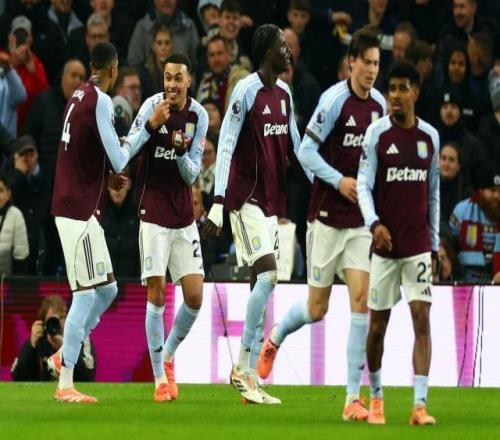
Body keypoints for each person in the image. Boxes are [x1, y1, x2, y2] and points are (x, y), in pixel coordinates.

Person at [257, 26, 386, 420]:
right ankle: (275, 337)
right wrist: (338, 180)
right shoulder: (333, 101)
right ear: (352, 62)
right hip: (326, 219)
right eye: (366, 62)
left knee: (361, 302)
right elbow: (306, 152)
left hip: (359, 223)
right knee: (317, 308)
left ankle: (351, 399)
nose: (372, 70)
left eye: (377, 63)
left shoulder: (379, 106)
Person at [203, 24, 310, 404]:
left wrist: (324, 185)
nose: (288, 51)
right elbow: (226, 144)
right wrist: (218, 201)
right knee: (268, 274)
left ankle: (249, 379)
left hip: (270, 202)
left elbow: (296, 146)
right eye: (282, 45)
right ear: (268, 52)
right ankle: (241, 365)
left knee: (260, 285)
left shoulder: (284, 94)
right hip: (244, 197)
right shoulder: (246, 91)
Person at [48, 42, 136, 403]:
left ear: (91, 65)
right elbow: (119, 158)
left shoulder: (78, 95)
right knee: (85, 293)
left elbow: (84, 151)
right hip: (78, 209)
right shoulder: (100, 99)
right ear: (113, 70)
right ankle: (65, 382)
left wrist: (105, 175)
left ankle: (64, 353)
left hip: (79, 204)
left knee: (108, 290)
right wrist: (137, 136)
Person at [357, 59, 440, 425]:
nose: (395, 95)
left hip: (417, 246)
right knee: (377, 327)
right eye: (391, 89)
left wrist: (434, 245)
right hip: (385, 249)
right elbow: (363, 186)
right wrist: (373, 223)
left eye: (403, 88)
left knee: (422, 318)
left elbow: (433, 195)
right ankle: (376, 397)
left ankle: (419, 405)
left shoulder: (430, 137)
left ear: (415, 92)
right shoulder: (376, 135)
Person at [126, 52, 208, 403]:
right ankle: (159, 378)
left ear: (189, 80)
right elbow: (127, 148)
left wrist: (180, 152)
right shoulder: (151, 107)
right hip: (153, 211)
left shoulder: (198, 116)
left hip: (183, 214)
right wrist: (151, 125)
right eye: (167, 77)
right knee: (157, 293)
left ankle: (169, 354)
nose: (172, 84)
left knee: (195, 297)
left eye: (178, 78)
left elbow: (191, 176)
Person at [11, 294, 95, 381]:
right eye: (52, 320)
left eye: (61, 318)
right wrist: (31, 345)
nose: (57, 324)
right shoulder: (38, 342)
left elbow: (88, 376)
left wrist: (65, 350)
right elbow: (18, 378)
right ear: (44, 322)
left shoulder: (80, 340)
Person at [0, 171, 29, 275]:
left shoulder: (16, 215)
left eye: (1, 191)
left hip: (5, 279)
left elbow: (21, 256)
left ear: (8, 194)